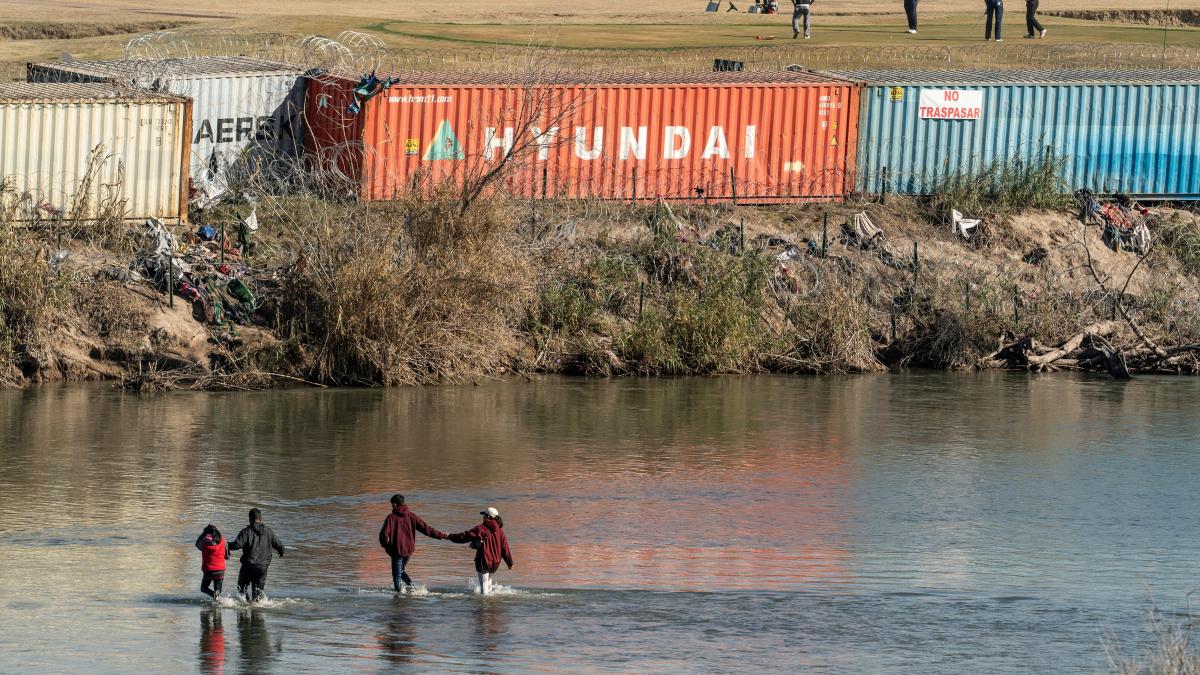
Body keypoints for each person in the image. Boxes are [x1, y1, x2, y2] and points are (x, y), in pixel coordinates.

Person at [378, 494, 447, 592]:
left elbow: (383, 535)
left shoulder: (391, 518)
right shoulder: (412, 516)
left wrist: (386, 547)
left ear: (394, 504)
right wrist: (442, 535)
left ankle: (399, 597)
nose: (391, 507)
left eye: (391, 505)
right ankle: (412, 589)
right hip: (408, 551)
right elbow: (426, 529)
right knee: (400, 572)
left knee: (397, 575)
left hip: (397, 551)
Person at [448, 507, 514, 596]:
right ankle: (490, 605)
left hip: (484, 561)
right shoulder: (500, 531)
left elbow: (465, 536)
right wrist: (509, 562)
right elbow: (505, 547)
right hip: (495, 562)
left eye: (484, 515)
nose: (482, 517)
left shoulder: (481, 528)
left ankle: (485, 606)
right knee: (488, 582)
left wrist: (450, 536)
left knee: (484, 586)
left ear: (488, 517)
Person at [229, 508, 285, 602]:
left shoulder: (246, 532)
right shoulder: (268, 531)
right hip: (262, 567)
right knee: (258, 594)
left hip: (248, 566)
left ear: (250, 519)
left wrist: (224, 544)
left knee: (241, 589)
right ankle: (255, 610)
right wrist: (281, 551)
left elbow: (237, 545)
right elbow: (279, 545)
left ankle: (245, 608)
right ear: (261, 519)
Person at [195, 524, 229, 601]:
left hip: (208, 570)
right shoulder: (223, 540)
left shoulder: (204, 543)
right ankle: (217, 601)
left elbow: (197, 544)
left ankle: (213, 595)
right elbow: (227, 557)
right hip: (220, 570)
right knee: (218, 593)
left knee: (203, 588)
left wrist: (203, 534)